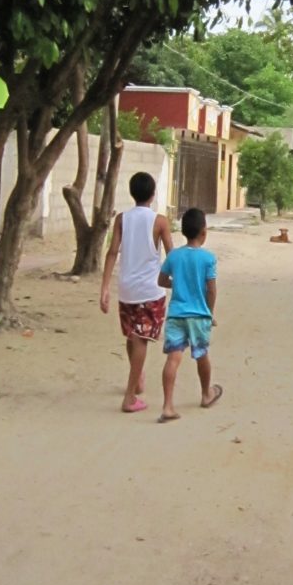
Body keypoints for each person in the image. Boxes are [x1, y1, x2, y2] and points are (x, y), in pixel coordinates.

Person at [99, 172, 173, 413]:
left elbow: (112, 252)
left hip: (127, 289)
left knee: (132, 336)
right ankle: (130, 396)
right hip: (150, 290)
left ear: (132, 193)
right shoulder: (160, 221)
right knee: (141, 339)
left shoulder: (122, 219)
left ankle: (137, 379)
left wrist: (105, 288)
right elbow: (171, 255)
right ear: (153, 194)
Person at [156, 207, 223, 423]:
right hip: (198, 315)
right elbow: (211, 289)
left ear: (183, 231)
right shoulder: (208, 258)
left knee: (173, 358)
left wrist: (177, 283)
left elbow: (161, 281)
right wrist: (209, 314)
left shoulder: (174, 256)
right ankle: (206, 393)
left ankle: (167, 405)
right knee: (201, 355)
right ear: (204, 232)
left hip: (176, 315)